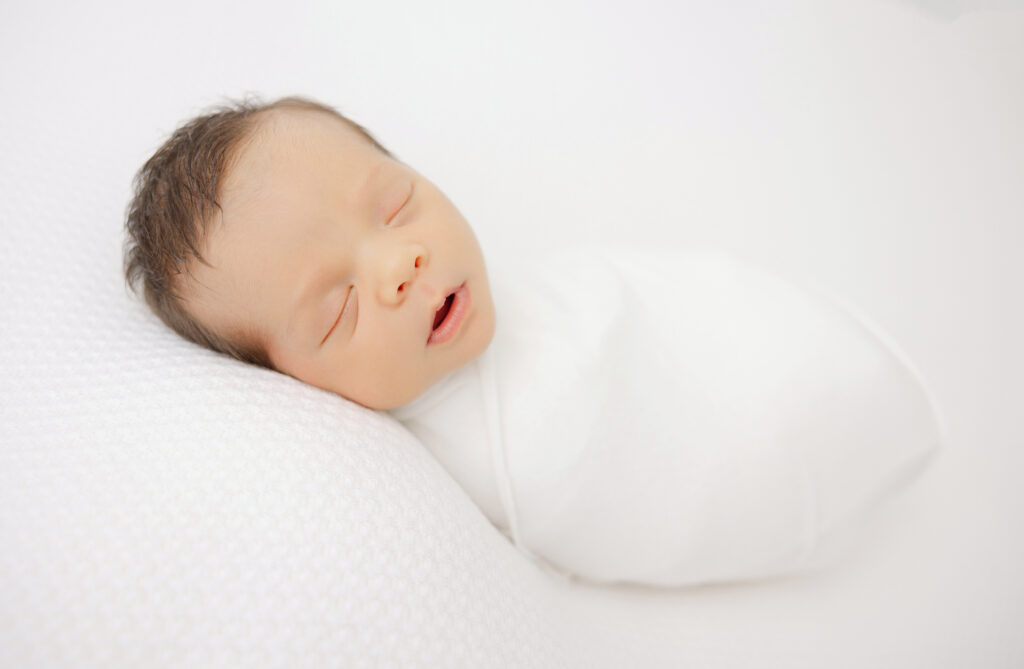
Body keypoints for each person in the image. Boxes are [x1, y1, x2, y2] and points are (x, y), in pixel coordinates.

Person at [124, 96, 943, 586]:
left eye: (396, 204)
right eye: (339, 308)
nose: (400, 264)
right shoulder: (449, 477)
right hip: (788, 485)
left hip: (780, 350)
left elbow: (646, 315)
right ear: (286, 383)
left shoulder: (534, 291)